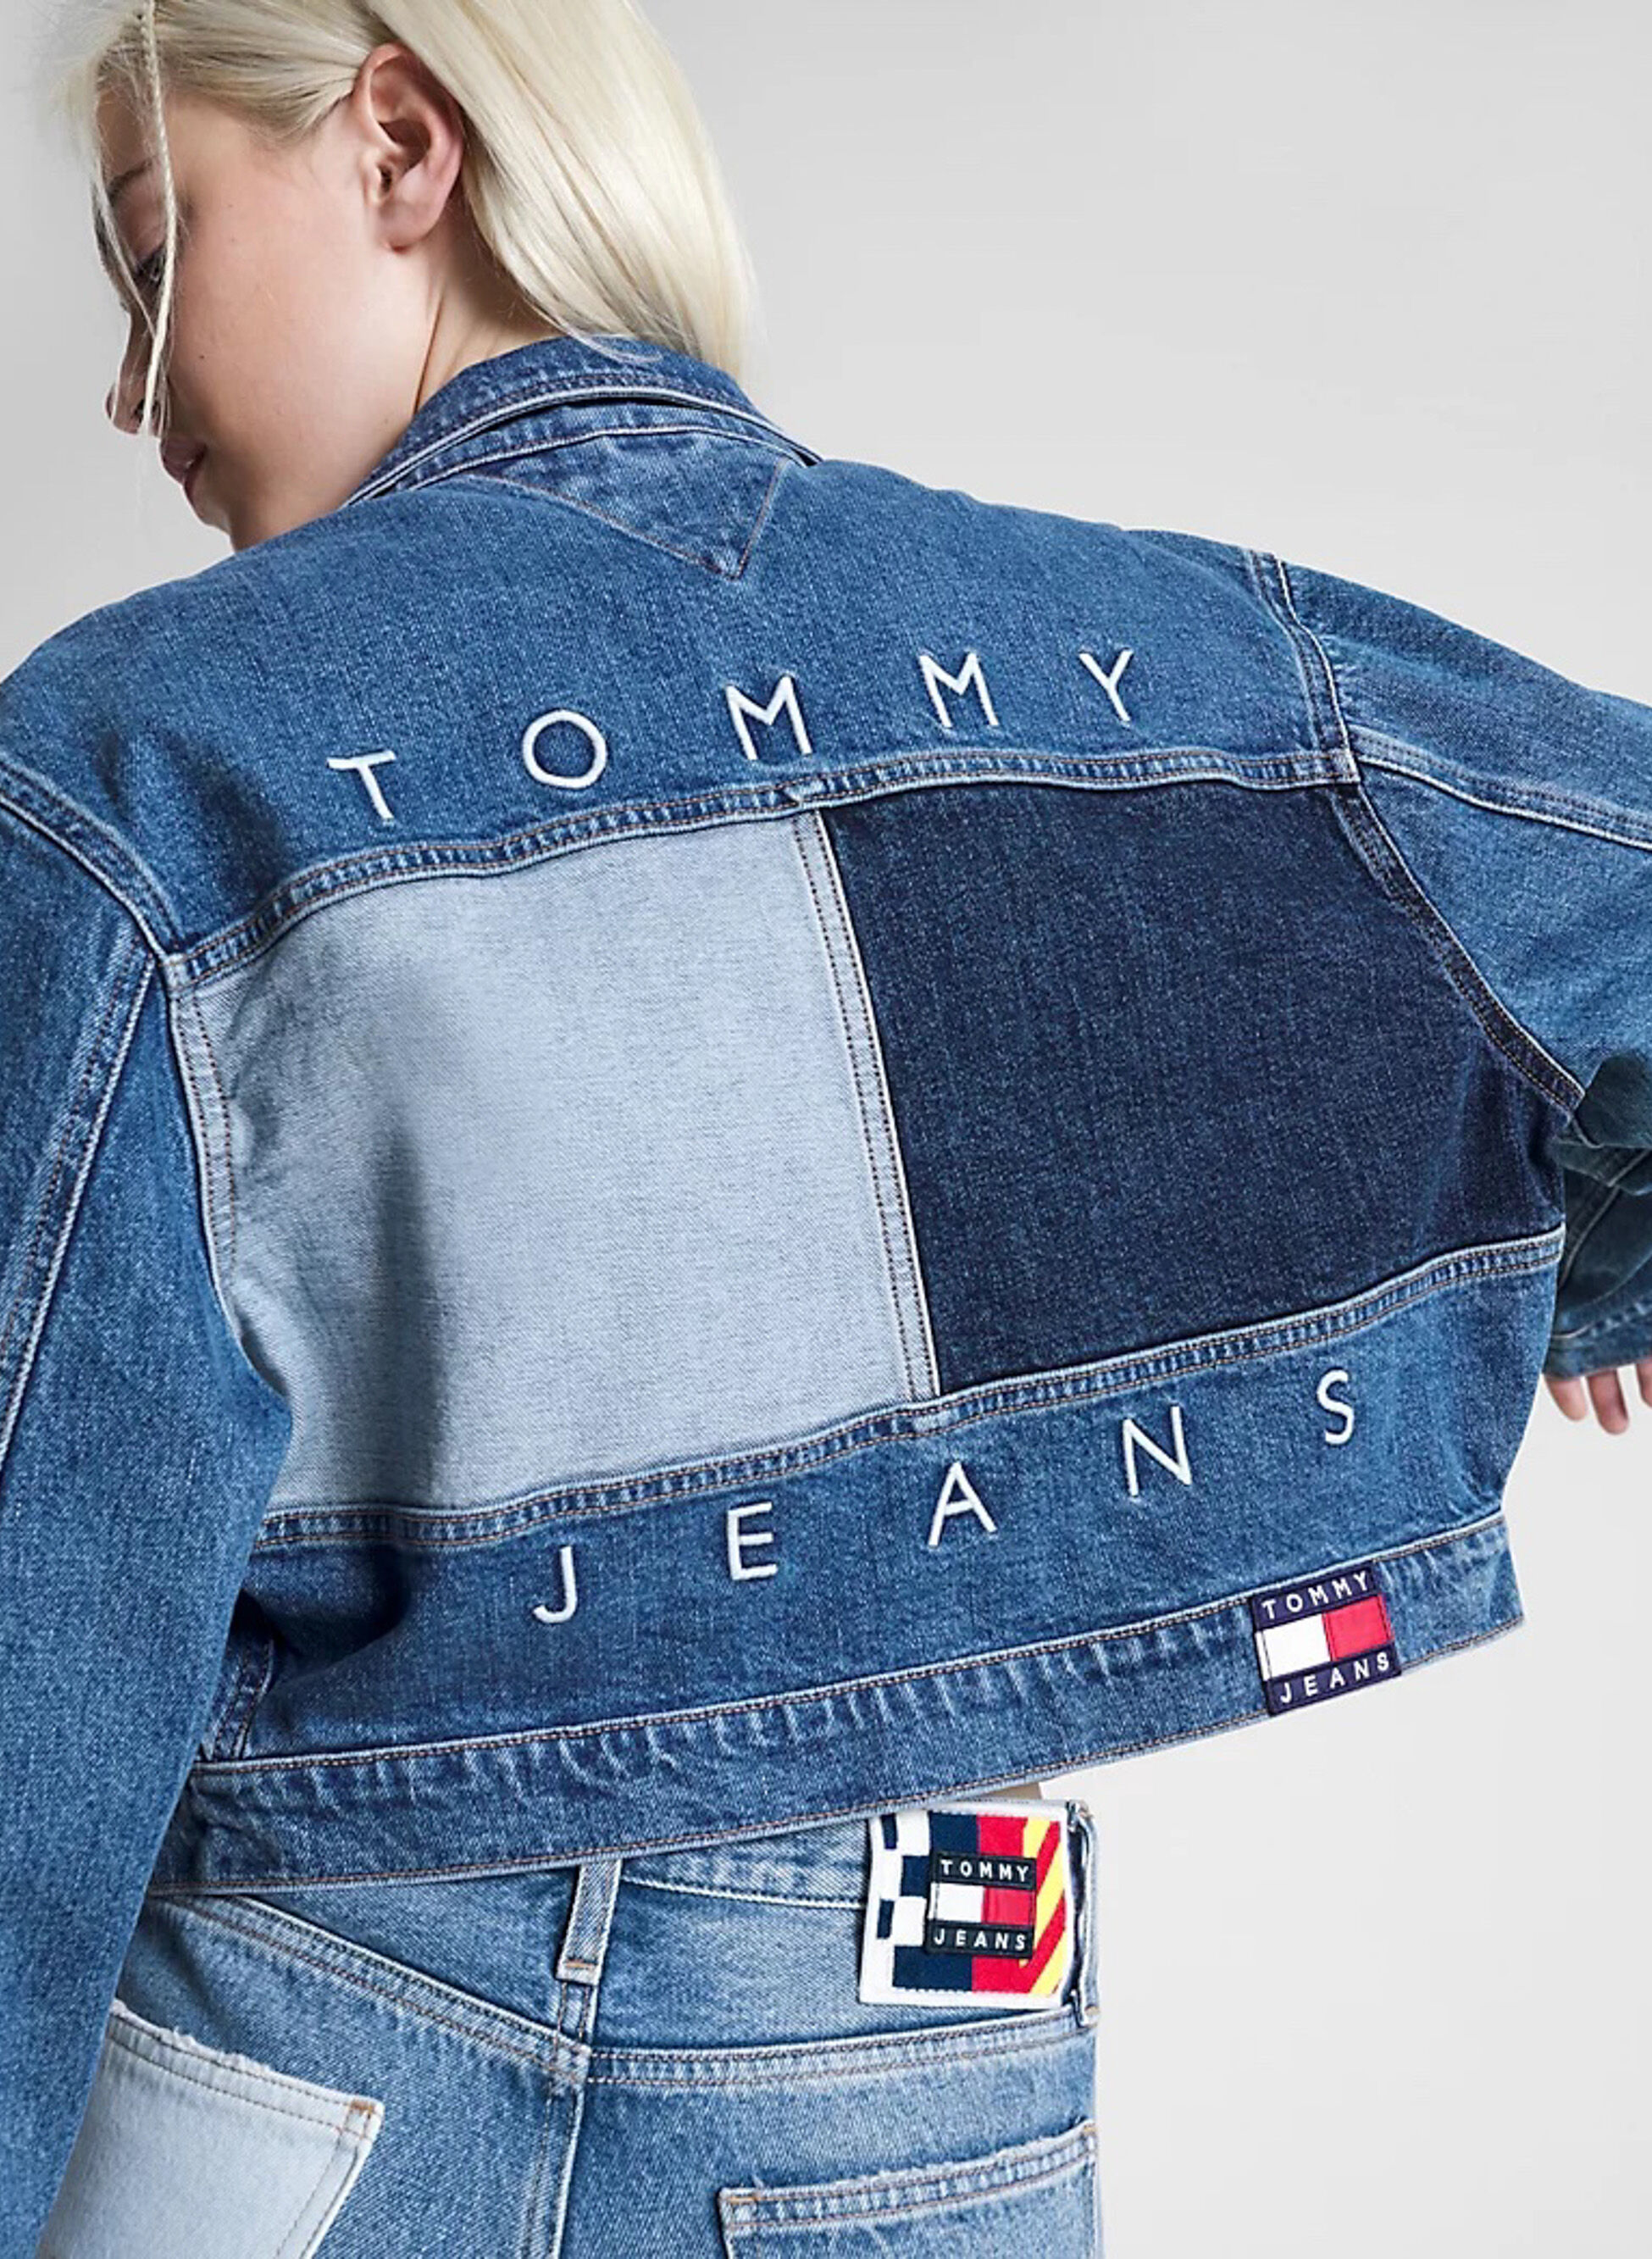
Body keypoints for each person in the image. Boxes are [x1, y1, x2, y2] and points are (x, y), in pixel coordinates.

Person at [3, 5, 1647, 2255]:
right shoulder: (1197, 655)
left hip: (315, 2040)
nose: (131, 386)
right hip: (942, 1997)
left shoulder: (130, 762)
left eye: (154, 249)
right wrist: (1602, 1239)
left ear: (398, 145)